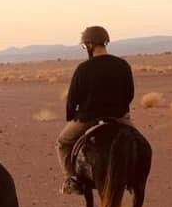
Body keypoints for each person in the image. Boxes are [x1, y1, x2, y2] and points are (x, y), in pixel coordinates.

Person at [57, 26, 135, 194]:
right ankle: (135, 178)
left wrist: (72, 116)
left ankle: (72, 180)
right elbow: (130, 95)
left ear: (90, 44)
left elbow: (72, 100)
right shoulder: (122, 65)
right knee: (139, 144)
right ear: (105, 42)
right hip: (119, 117)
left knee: (62, 143)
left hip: (88, 119)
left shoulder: (83, 69)